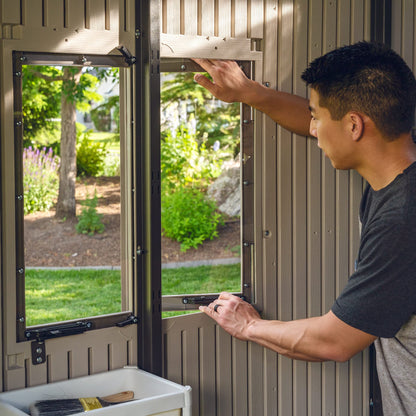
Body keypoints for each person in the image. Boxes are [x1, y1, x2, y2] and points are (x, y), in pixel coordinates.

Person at [193, 41, 416, 415]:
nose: (312, 129)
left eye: (317, 116)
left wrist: (247, 326)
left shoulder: (402, 220)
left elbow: (336, 341)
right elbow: (330, 123)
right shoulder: (399, 155)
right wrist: (249, 92)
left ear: (354, 125)